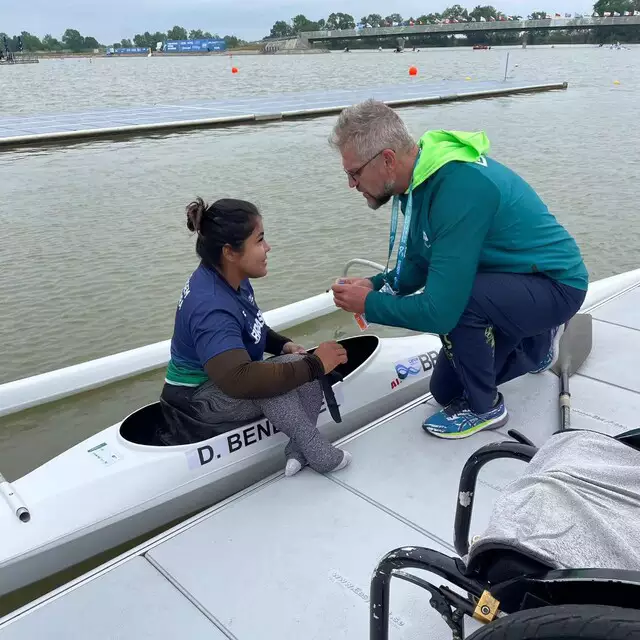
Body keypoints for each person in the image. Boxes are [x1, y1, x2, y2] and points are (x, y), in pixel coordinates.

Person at [329, 99, 588, 439]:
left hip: (555, 283)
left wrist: (368, 305)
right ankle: (538, 345)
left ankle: (487, 408)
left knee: (460, 302)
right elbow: (421, 259)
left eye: (354, 173)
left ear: (388, 160)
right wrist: (376, 284)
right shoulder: (419, 177)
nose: (351, 184)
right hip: (510, 277)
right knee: (446, 392)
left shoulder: (456, 188)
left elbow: (440, 313)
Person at [160, 197, 352, 476]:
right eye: (259, 240)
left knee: (299, 366)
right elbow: (241, 379)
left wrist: (282, 344)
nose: (268, 247)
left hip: (220, 381)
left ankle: (298, 451)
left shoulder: (231, 276)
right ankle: (319, 454)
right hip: (194, 403)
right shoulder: (210, 307)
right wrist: (316, 364)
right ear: (230, 252)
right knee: (280, 379)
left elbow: (251, 326)